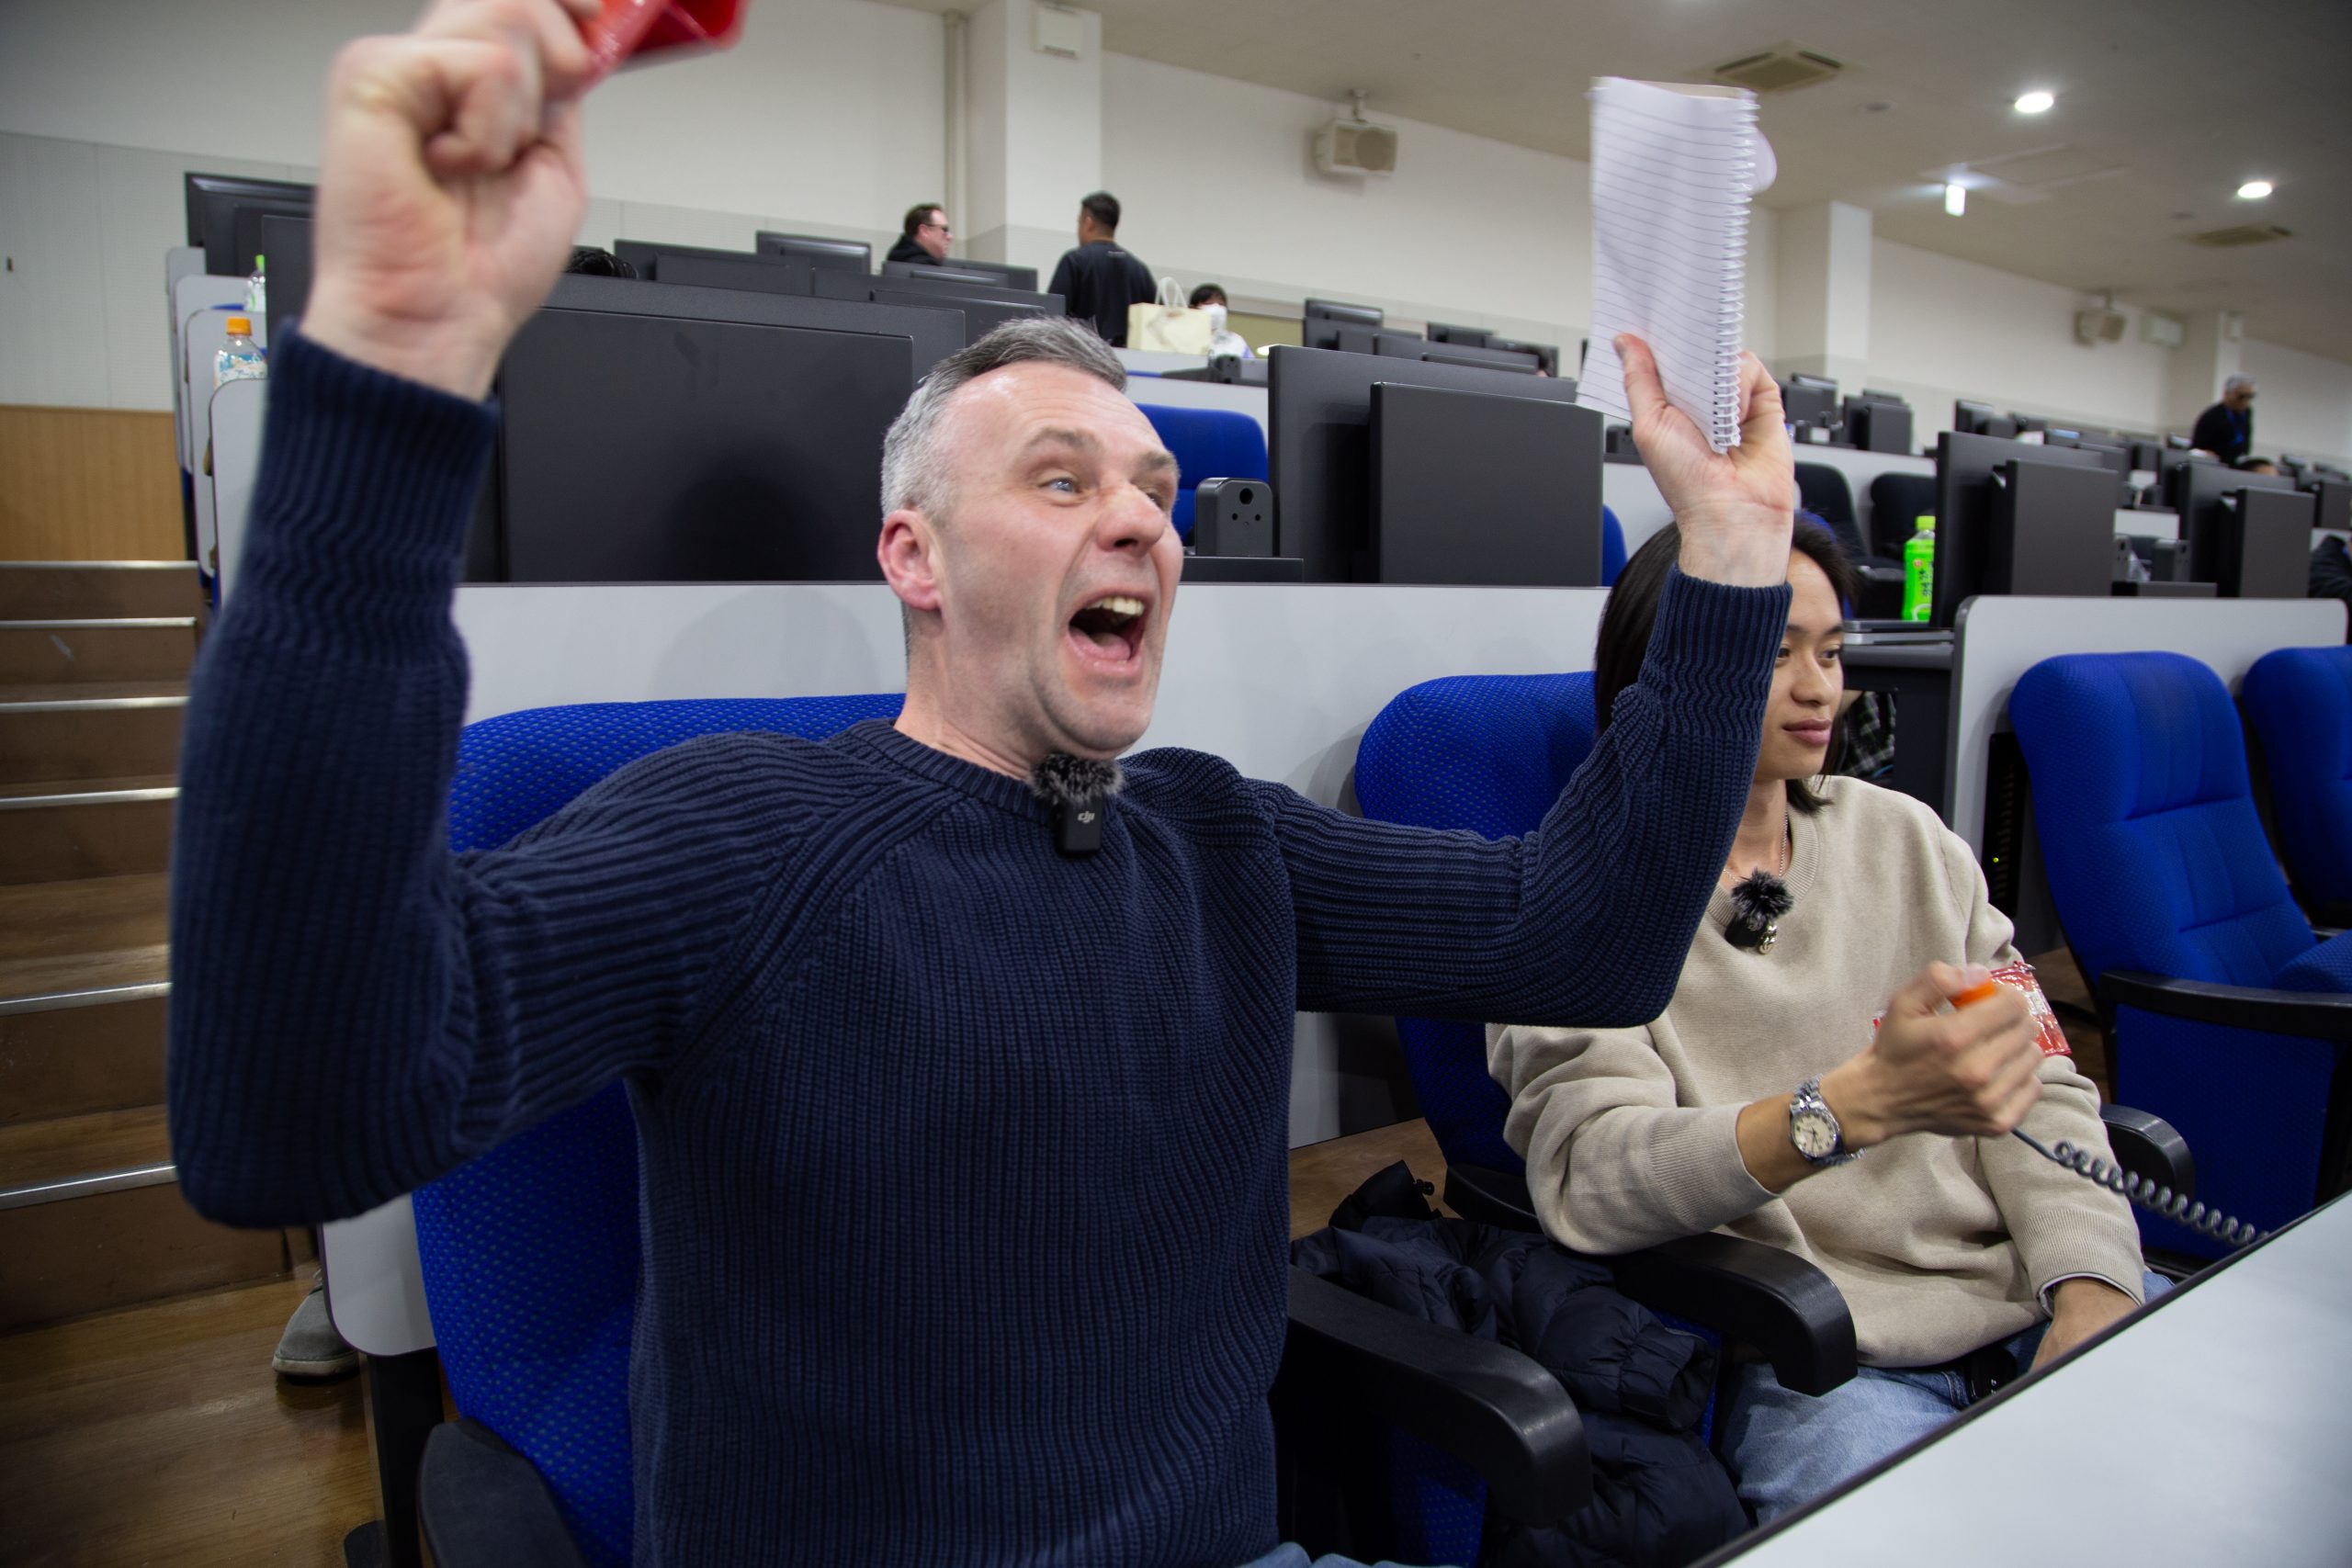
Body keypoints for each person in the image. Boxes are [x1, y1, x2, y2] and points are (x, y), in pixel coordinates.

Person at [167, 3, 1818, 1562]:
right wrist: (385, 375)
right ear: (915, 554)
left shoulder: (1221, 836)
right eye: (1059, 476)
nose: (1142, 523)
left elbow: (1585, 934)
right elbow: (298, 1112)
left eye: (1159, 492)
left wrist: (1735, 560)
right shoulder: (742, 831)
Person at [1488, 521, 2154, 1524]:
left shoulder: (1906, 840)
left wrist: (2094, 1282)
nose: (1818, 690)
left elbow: (2042, 1086)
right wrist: (1843, 1110)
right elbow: (1595, 1177)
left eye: (1832, 653)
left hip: (2030, 1292)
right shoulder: (1577, 901)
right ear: (1666, 671)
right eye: (1774, 654)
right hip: (1826, 1352)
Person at [1048, 190, 1156, 346]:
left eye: (1079, 222)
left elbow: (1052, 319)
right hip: (1130, 366)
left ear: (1088, 222)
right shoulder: (1140, 270)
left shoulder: (1074, 261)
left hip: (1084, 359)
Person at [2190, 375, 2256, 464]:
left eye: (2250, 396)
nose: (2246, 401)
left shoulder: (2247, 413)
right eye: (2241, 396)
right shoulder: (2212, 416)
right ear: (2227, 394)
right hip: (2215, 464)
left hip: (2237, 463)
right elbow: (2196, 448)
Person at [1187, 282, 1252, 359]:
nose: (1216, 307)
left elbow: (1251, 367)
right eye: (1209, 303)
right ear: (1193, 308)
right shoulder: (1181, 338)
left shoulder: (1236, 342)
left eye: (1221, 304)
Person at [887, 201, 950, 266]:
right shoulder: (924, 267)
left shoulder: (898, 260)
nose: (950, 237)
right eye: (944, 229)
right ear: (924, 231)